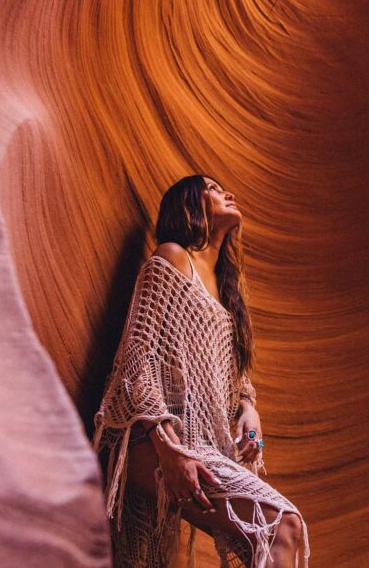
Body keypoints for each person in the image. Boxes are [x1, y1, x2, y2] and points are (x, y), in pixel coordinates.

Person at [90, 174, 310, 568]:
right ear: (189, 205)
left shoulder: (227, 292)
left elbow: (233, 377)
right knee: (283, 526)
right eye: (210, 188)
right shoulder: (172, 257)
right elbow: (136, 358)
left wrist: (248, 409)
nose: (227, 192)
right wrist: (168, 446)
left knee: (259, 541)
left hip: (199, 444)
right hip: (151, 437)